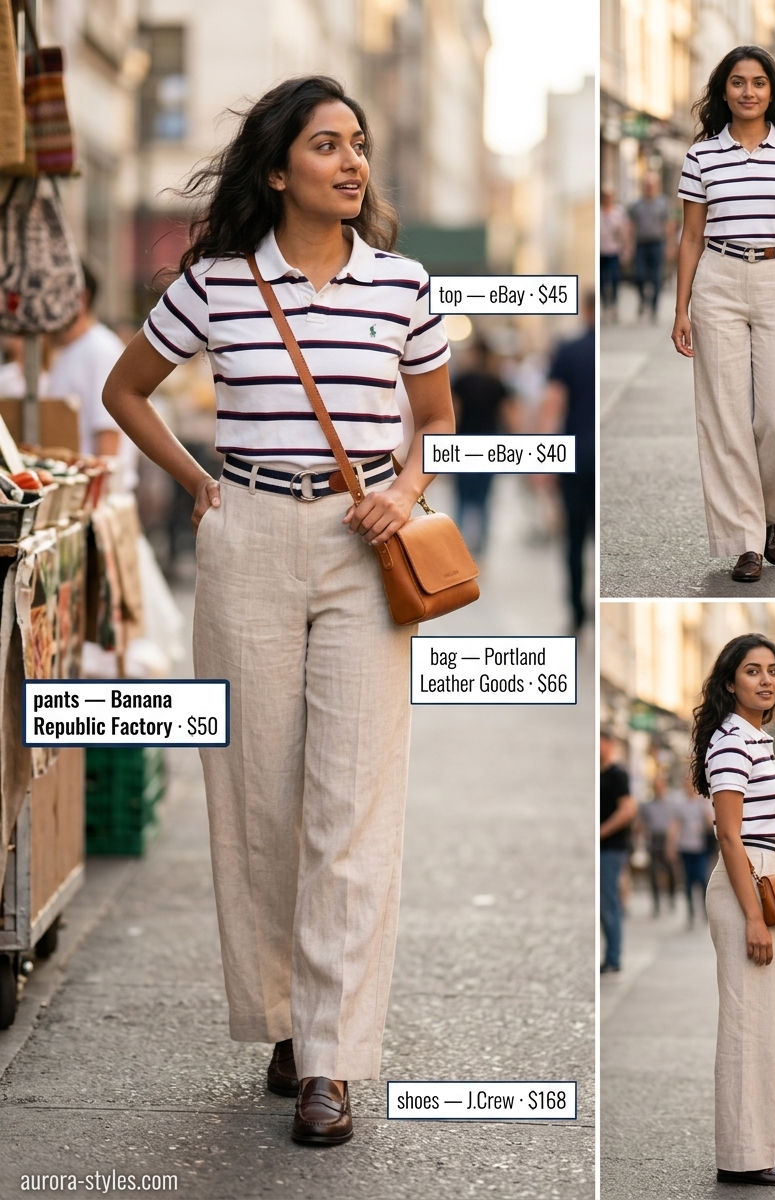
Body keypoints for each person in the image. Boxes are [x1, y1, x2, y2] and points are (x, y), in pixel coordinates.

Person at [103, 75, 455, 1147]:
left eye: (357, 146)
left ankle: (333, 1058)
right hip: (248, 536)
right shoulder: (213, 282)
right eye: (324, 146)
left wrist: (407, 490)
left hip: (366, 551)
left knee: (351, 807)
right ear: (275, 169)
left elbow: (431, 421)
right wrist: (197, 481)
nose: (350, 163)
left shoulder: (403, 284)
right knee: (256, 797)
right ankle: (285, 1022)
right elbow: (126, 391)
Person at [672, 46, 775, 584]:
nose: (747, 92)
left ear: (772, 91)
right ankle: (745, 542)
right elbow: (690, 236)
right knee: (725, 416)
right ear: (723, 91)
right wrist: (681, 308)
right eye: (737, 82)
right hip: (717, 282)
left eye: (758, 83)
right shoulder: (701, 156)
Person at [692, 633, 775, 1186]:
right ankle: (741, 1157)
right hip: (746, 887)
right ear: (730, 680)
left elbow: (773, 832)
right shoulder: (732, 741)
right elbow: (731, 838)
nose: (766, 680)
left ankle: (760, 1146)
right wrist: (758, 917)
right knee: (744, 1026)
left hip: (767, 884)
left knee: (767, 1026)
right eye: (753, 670)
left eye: (773, 671)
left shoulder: (758, 740)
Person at [46, 262, 139, 491]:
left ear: (81, 299)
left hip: (97, 498)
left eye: (53, 294)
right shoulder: (69, 350)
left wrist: (95, 500)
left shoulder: (99, 350)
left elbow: (108, 435)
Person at [540, 292, 595, 631]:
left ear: (585, 310)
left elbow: (552, 406)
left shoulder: (568, 350)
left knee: (573, 539)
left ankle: (576, 611)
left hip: (574, 459)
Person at [450, 338, 516, 554]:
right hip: (489, 447)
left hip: (463, 446)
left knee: (461, 500)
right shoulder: (497, 382)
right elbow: (509, 416)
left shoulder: (462, 380)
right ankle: (481, 552)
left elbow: (453, 415)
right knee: (484, 501)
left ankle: (460, 551)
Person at [600, 729, 637, 974]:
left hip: (611, 848)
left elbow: (627, 809)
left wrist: (602, 831)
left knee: (607, 902)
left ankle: (613, 957)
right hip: (603, 846)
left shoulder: (617, 774)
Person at [668, 775, 715, 926]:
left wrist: (707, 815)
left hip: (700, 847)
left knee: (701, 878)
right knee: (688, 880)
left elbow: (710, 824)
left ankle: (703, 909)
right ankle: (691, 912)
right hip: (685, 846)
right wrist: (671, 844)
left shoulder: (703, 802)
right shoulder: (679, 803)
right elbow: (675, 824)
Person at [628, 173, 674, 320]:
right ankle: (643, 300)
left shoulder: (663, 203)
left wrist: (670, 245)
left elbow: (669, 225)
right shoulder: (637, 205)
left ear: (657, 186)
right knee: (639, 276)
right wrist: (628, 245)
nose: (649, 188)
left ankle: (653, 308)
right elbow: (631, 225)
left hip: (657, 243)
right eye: (647, 185)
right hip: (641, 244)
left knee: (656, 278)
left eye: (652, 185)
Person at [639, 773, 680, 916]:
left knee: (671, 870)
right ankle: (656, 902)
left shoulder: (672, 804)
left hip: (667, 838)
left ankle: (672, 898)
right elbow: (642, 823)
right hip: (654, 838)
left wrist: (672, 842)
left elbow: (675, 823)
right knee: (653, 872)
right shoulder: (646, 805)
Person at [599, 187, 629, 320]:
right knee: (601, 280)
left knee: (614, 278)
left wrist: (626, 248)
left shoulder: (618, 212)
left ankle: (614, 305)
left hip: (614, 250)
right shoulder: (598, 212)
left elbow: (624, 231)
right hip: (600, 251)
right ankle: (605, 305)